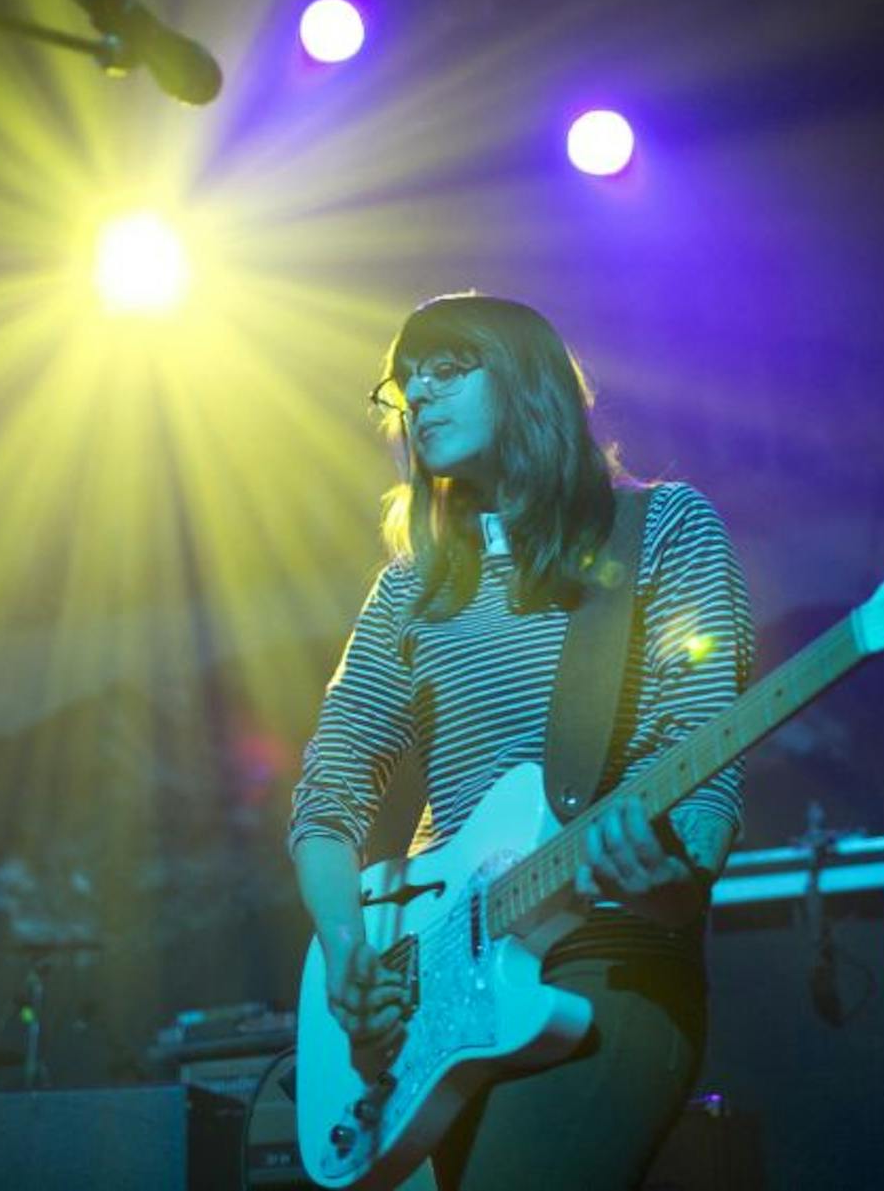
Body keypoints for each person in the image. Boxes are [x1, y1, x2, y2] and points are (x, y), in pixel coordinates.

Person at [289, 292, 754, 1190]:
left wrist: (674, 879)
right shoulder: (408, 593)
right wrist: (350, 946)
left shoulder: (663, 528)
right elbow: (328, 793)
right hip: (436, 984)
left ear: (529, 383)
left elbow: (700, 749)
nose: (418, 396)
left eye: (450, 368)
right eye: (406, 380)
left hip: (608, 954)